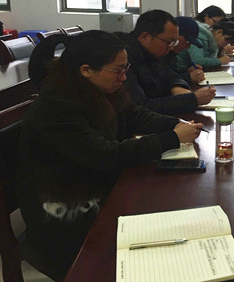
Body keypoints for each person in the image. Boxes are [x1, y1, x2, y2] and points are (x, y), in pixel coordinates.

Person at [16, 31, 205, 280]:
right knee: (165, 228)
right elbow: (105, 155)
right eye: (118, 70)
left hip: (97, 184)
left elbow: (134, 115)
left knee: (174, 205)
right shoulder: (57, 106)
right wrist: (171, 138)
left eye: (126, 68)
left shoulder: (97, 88)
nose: (124, 77)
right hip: (66, 210)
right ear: (86, 70)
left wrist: (176, 124)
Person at [115, 9, 216, 115]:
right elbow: (141, 107)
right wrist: (192, 100)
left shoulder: (153, 53)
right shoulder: (123, 59)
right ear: (145, 37)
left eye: (175, 42)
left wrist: (178, 87)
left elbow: (170, 76)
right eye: (169, 42)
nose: (171, 48)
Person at [166, 16, 205, 85]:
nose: (188, 46)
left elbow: (171, 74)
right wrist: (188, 77)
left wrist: (187, 71)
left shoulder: (172, 54)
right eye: (187, 42)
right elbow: (161, 81)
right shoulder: (160, 54)